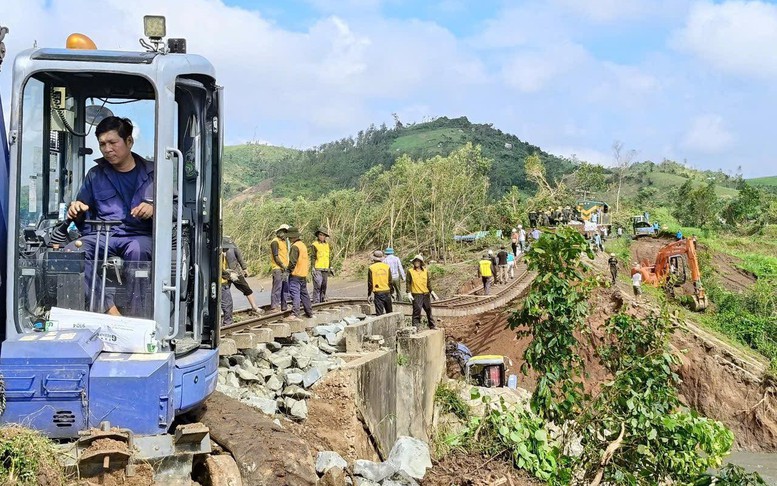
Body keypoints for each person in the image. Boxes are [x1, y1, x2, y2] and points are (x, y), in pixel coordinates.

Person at [66, 116, 153, 316]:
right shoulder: (95, 175)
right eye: (102, 144)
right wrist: (76, 208)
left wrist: (154, 209)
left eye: (113, 142)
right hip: (102, 235)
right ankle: (111, 311)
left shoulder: (154, 173)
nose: (107, 149)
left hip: (138, 235)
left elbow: (175, 208)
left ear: (129, 141)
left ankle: (136, 317)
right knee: (71, 252)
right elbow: (81, 209)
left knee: (138, 251)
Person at [223, 236, 262, 315]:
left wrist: (244, 268)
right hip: (223, 275)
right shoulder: (218, 249)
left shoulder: (233, 246)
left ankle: (254, 307)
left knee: (246, 288)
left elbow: (239, 257)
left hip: (235, 272)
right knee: (223, 293)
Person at [286, 227, 314, 321]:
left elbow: (292, 262)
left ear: (292, 237)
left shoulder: (295, 246)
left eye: (289, 237)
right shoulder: (302, 245)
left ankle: (295, 314)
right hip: (303, 274)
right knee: (304, 294)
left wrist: (288, 271)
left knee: (295, 293)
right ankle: (309, 313)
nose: (289, 239)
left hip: (296, 274)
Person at [406, 255, 434, 329]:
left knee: (428, 310)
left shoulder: (425, 271)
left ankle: (432, 325)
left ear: (421, 262)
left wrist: (432, 291)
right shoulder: (410, 271)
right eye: (415, 261)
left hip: (426, 293)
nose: (416, 263)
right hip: (416, 294)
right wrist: (408, 292)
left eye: (418, 261)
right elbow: (408, 282)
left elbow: (428, 283)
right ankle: (415, 327)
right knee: (417, 311)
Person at [269, 224, 290, 311]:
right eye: (285, 232)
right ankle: (274, 306)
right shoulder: (275, 242)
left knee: (285, 287)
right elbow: (276, 256)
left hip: (284, 268)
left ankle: (284, 306)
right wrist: (282, 265)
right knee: (277, 287)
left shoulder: (284, 242)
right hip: (277, 268)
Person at [310, 228, 333, 303]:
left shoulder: (327, 245)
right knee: (317, 285)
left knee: (324, 285)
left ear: (325, 236)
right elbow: (313, 257)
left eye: (323, 235)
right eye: (320, 235)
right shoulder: (314, 245)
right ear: (318, 235)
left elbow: (328, 257)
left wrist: (330, 266)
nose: (322, 236)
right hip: (317, 268)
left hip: (325, 268)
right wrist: (312, 267)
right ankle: (316, 301)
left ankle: (322, 300)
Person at [367, 250, 392, 315]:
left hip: (378, 293)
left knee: (379, 314)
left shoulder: (371, 268)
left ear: (374, 258)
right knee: (389, 313)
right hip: (387, 291)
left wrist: (369, 294)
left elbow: (370, 283)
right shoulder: (387, 267)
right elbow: (390, 281)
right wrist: (392, 292)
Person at [221, 247, 235, 327]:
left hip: (221, 283)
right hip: (222, 283)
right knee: (227, 304)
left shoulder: (221, 255)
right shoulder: (220, 255)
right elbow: (220, 270)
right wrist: (230, 275)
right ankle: (227, 323)